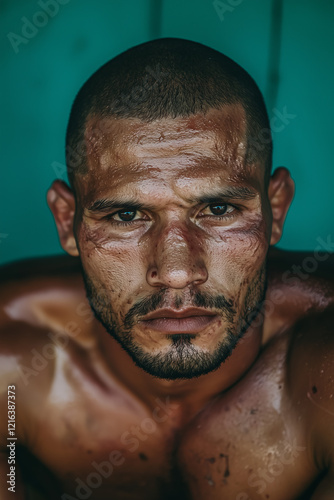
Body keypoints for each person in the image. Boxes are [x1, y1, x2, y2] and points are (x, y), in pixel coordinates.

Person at [0, 38, 333, 500]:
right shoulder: (11, 361)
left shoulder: (323, 364)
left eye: (218, 208)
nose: (177, 272)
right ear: (66, 221)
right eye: (126, 216)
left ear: (276, 210)